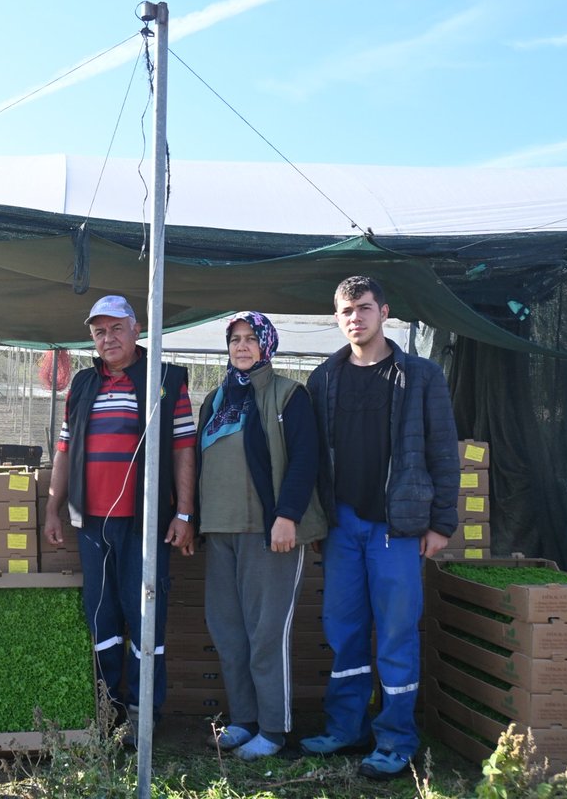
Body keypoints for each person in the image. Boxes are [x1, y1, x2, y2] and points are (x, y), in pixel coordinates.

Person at [299, 276, 459, 780]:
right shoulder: (323, 378)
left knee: (394, 634)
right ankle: (347, 728)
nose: (355, 318)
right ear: (337, 316)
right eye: (346, 310)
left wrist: (442, 523)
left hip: (397, 528)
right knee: (343, 631)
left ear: (384, 312)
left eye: (364, 308)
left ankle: (395, 738)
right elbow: (314, 461)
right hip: (343, 525)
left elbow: (442, 453)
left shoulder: (420, 376)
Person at [42, 294, 196, 744]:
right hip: (92, 523)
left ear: (135, 329)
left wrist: (184, 513)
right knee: (101, 618)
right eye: (98, 331)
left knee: (145, 616)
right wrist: (54, 506)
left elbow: (183, 449)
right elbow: (65, 450)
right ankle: (106, 710)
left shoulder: (164, 379)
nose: (107, 338)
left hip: (143, 526)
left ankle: (143, 714)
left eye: (115, 329)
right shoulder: (84, 385)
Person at [196, 312, 325, 761]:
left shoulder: (289, 395)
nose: (242, 346)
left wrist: (287, 515)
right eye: (235, 339)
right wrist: (195, 522)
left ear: (267, 343)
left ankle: (274, 728)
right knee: (228, 631)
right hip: (221, 530)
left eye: (251, 338)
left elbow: (306, 459)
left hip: (269, 533)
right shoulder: (215, 399)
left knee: (266, 632)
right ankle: (244, 720)